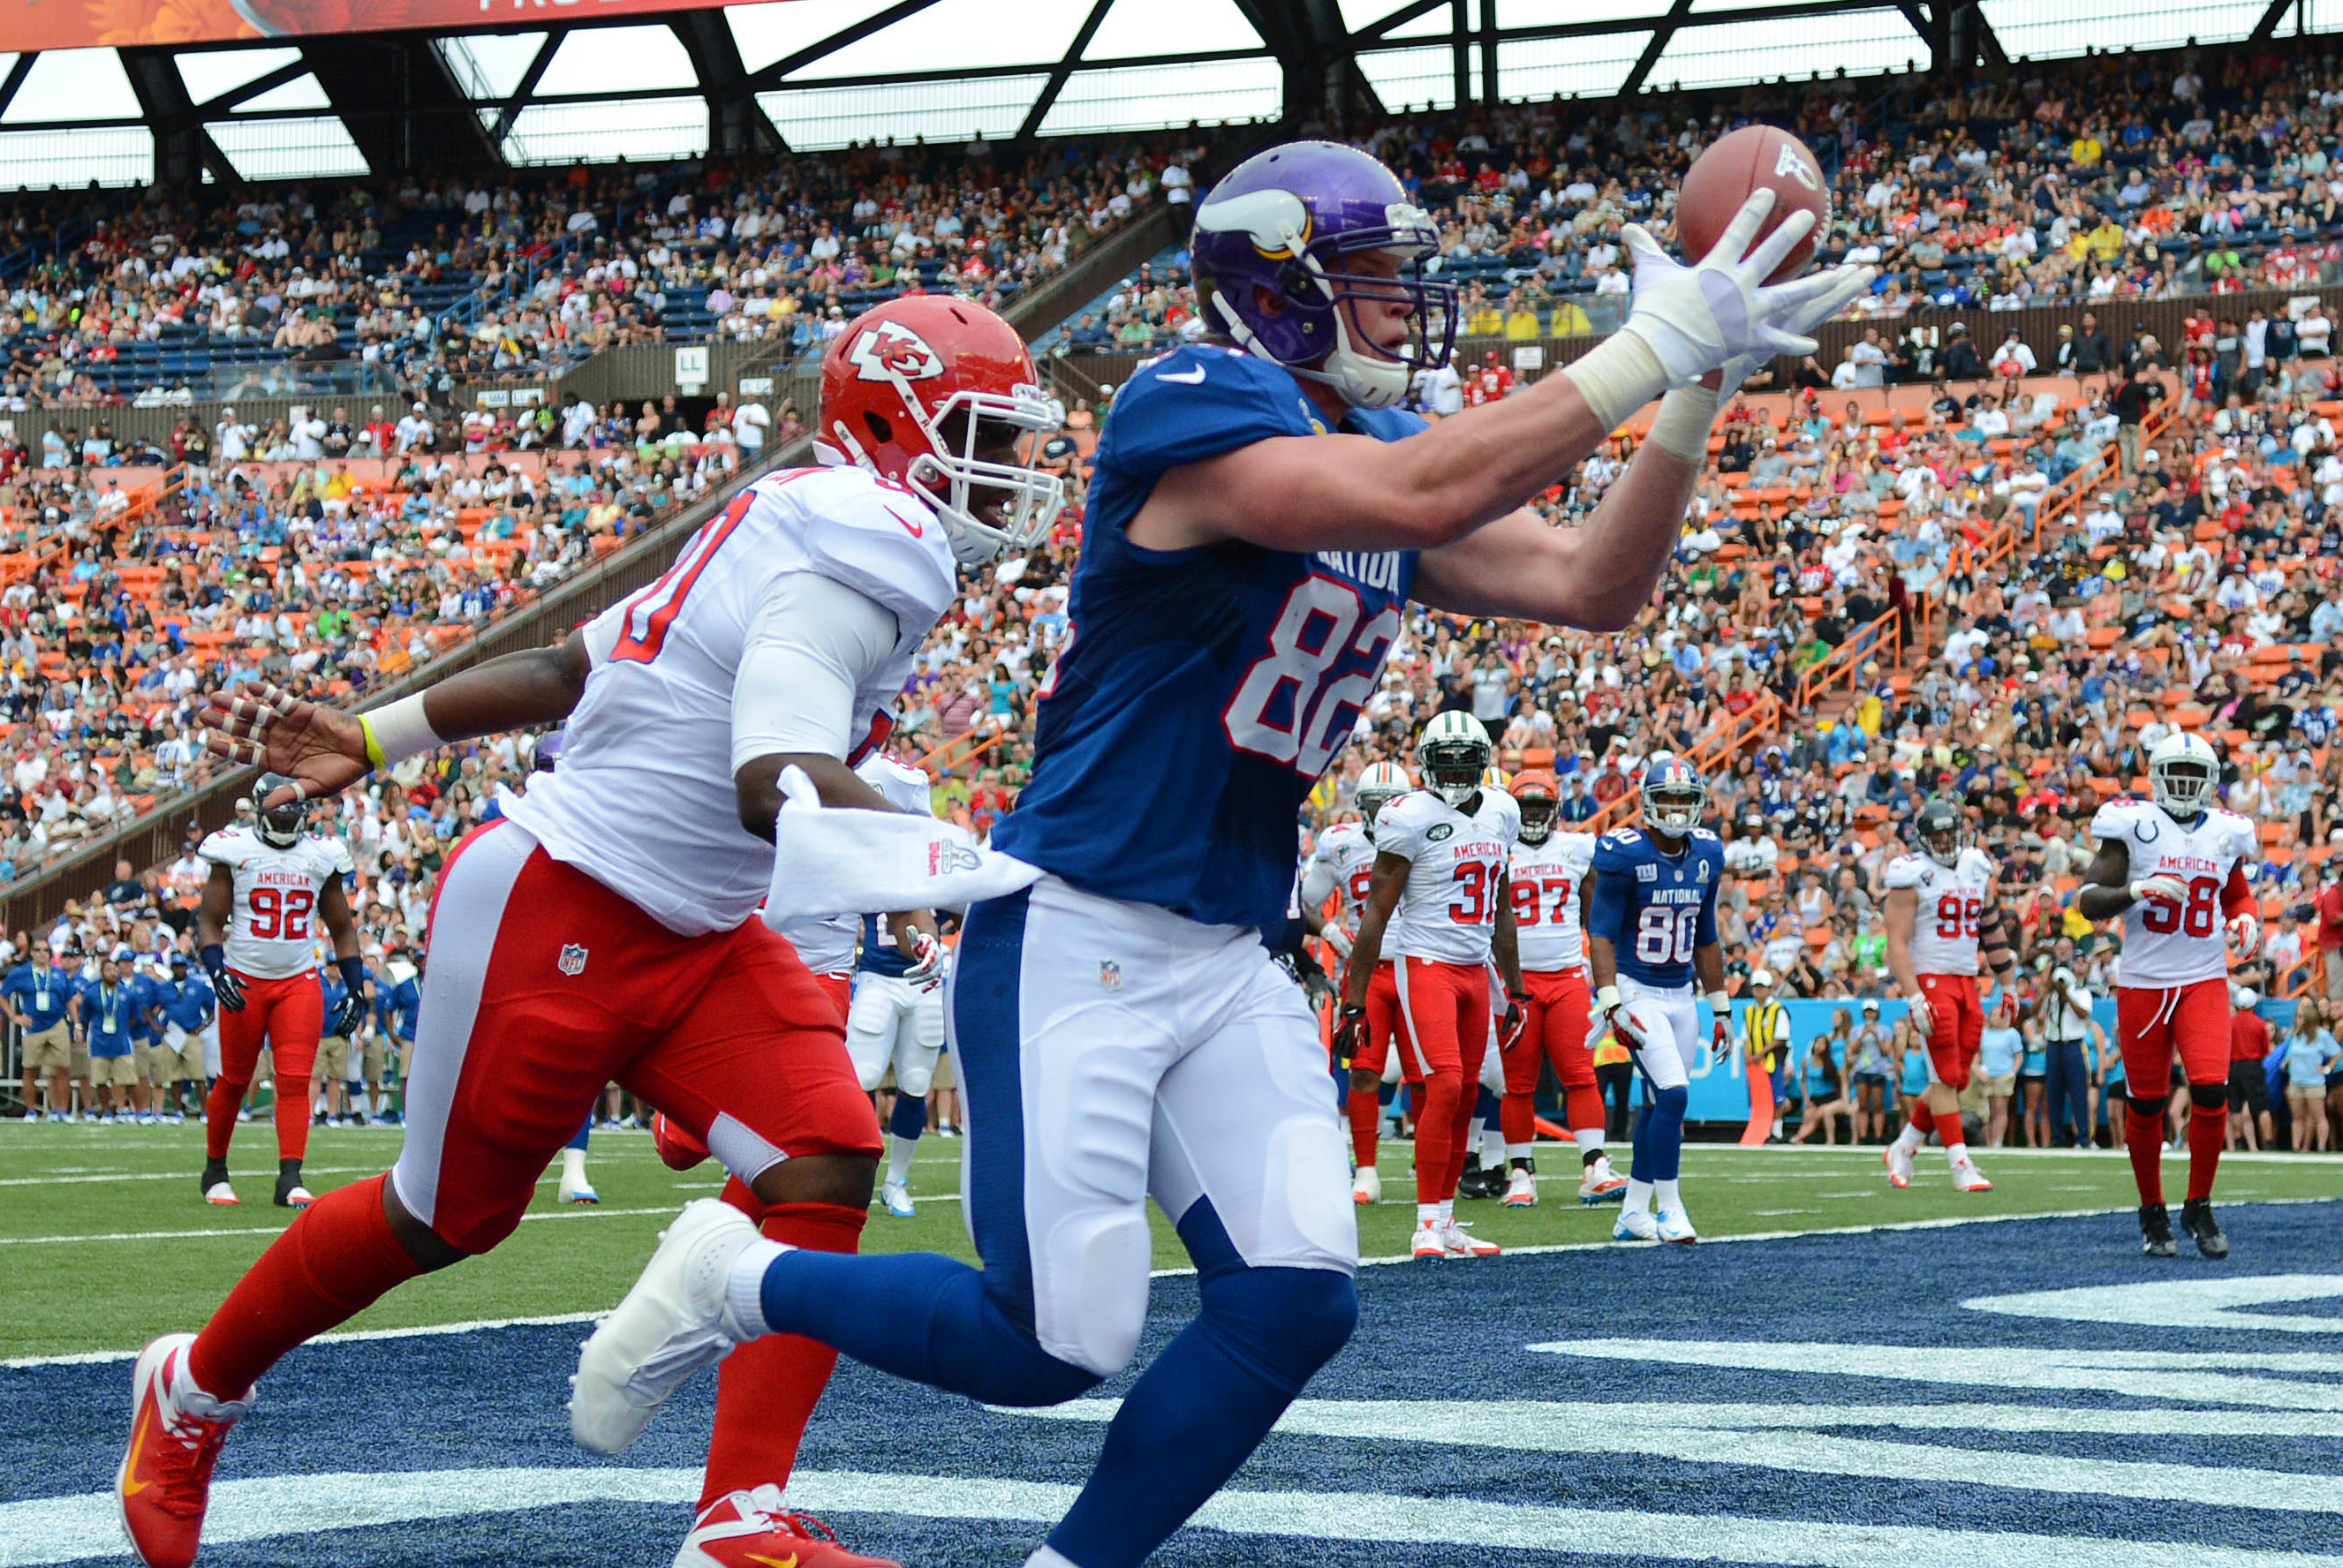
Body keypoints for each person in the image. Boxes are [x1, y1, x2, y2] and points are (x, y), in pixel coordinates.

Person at [569, 138, 1871, 1568]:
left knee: (1295, 1298)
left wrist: (1689, 391)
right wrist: (1649, 342)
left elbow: (1589, 584)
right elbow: (1419, 499)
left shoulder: (1373, 451)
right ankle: (744, 1275)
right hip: (1076, 924)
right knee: (1050, 1341)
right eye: (1368, 276)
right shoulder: (1186, 402)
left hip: (1225, 941)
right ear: (1280, 288)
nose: (1398, 306)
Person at [115, 293, 1063, 1568]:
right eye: (983, 436)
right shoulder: (865, 538)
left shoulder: (795, 517)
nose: (1007, 471)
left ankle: (741, 1515)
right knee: (442, 1219)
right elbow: (769, 776)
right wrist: (989, 871)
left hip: (703, 931)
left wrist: (382, 731)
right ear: (895, 424)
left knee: (823, 1161)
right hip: (561, 901)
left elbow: (578, 669)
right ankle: (193, 1388)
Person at [1340, 712, 1523, 1258]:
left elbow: (1503, 906)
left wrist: (1514, 988)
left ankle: (1446, 1222)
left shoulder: (1502, 811)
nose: (1458, 769)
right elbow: (1375, 913)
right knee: (1443, 1084)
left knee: (1467, 1092)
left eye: (1467, 759)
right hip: (1425, 964)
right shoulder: (1409, 815)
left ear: (1484, 761)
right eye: (1447, 761)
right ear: (1426, 765)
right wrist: (1354, 1000)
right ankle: (1424, 1225)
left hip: (1473, 968)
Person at [2076, 731, 2260, 1258]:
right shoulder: (2134, 826)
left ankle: (2198, 1204)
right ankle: (2152, 1209)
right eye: (2174, 775)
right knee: (2148, 1102)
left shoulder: (2227, 832)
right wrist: (2138, 888)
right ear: (2156, 778)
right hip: (2143, 983)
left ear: (2209, 783)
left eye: (2192, 776)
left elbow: (2237, 893)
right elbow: (2089, 900)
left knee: (2210, 1091)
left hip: (2202, 977)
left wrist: (2246, 920)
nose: (2183, 786)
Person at [195, 774, 368, 1210]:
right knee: (234, 1080)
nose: (287, 820)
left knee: (295, 1080)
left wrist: (355, 989)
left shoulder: (320, 855)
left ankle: (290, 1176)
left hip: (298, 981)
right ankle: (215, 1170)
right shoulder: (234, 850)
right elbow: (210, 923)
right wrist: (217, 972)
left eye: (293, 812)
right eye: (280, 811)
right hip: (243, 979)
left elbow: (342, 928)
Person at [1588, 758, 1728, 1243]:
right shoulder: (1624, 853)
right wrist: (1611, 1003)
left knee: (1655, 1105)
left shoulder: (1708, 851)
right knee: (1673, 1094)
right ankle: (1670, 1207)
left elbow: (1707, 935)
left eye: (1683, 799)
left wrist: (1722, 1006)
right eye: (1664, 798)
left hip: (1681, 992)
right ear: (1647, 803)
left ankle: (1631, 1211)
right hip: (1636, 987)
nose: (1673, 808)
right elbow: (1601, 932)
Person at [1495, 768, 1623, 1206]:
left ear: (1554, 811)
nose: (1532, 816)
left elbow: (1595, 917)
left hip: (1567, 976)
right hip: (1516, 982)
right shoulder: (1498, 850)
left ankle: (1594, 1166)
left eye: (1539, 808)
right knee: (1518, 1083)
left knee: (1581, 1075)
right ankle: (1521, 1173)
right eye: (1525, 808)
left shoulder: (1576, 848)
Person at [1880, 796, 2014, 1192]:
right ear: (1923, 839)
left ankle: (1903, 1147)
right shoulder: (1911, 874)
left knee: (1953, 1078)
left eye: (1949, 833)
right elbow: (1896, 943)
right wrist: (1914, 996)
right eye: (1935, 836)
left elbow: (1990, 926)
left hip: (1967, 980)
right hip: (1931, 980)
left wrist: (2007, 981)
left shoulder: (1975, 864)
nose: (1943, 842)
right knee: (1943, 1078)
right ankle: (1960, 1164)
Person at [843, 752, 953, 1219]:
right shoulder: (866, 851)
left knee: (915, 1082)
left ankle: (896, 1180)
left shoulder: (940, 851)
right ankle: (858, 1173)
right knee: (861, 1076)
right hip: (878, 976)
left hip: (926, 981)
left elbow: (964, 902)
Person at [1304, 758, 1413, 1204]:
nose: (1383, 811)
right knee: (1364, 1069)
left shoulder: (1428, 836)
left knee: (1428, 1073)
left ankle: (1439, 1166)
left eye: (1391, 803)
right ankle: (1366, 1169)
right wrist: (1330, 931)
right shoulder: (1341, 845)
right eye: (1375, 804)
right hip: (1365, 972)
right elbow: (1301, 902)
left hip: (1419, 963)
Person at [5, 948, 78, 1119]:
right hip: (32, 1025)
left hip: (57, 1023)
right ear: (32, 953)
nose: (41, 953)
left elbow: (70, 999)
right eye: (37, 950)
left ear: (50, 955)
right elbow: (3, 994)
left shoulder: (59, 974)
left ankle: (62, 1110)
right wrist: (13, 1016)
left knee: (63, 1068)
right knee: (30, 1069)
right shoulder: (21, 973)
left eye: (45, 950)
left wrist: (78, 1024)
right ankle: (31, 1111)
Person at [2037, 962, 2104, 1147]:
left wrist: (2066, 995)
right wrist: (2046, 992)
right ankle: (2057, 1136)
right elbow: (2036, 1013)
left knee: (2079, 1092)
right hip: (2053, 1045)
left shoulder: (2081, 993)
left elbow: (2083, 1014)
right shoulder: (2050, 996)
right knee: (2053, 1093)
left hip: (2073, 1045)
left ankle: (2083, 1137)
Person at [2281, 999, 2338, 1150]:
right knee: (2297, 1117)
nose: (2297, 1020)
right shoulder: (2296, 1035)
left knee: (2319, 1116)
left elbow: (2337, 1053)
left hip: (2314, 1081)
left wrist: (2327, 1068)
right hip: (2296, 1080)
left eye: (2300, 1017)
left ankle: (2320, 1147)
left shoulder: (2321, 1035)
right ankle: (2295, 1146)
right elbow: (2294, 1053)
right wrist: (2288, 1062)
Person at [2226, 987, 2273, 1151]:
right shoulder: (2260, 1024)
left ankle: (2239, 1141)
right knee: (2262, 1107)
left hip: (2234, 1067)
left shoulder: (2230, 1023)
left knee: (2235, 1107)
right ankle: (2268, 1142)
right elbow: (2265, 1049)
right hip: (2253, 1067)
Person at [1789, 1028, 1853, 1144]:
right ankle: (1800, 1138)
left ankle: (1799, 1137)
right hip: (1815, 1097)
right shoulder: (1806, 1061)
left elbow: (1843, 1081)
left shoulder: (1831, 1063)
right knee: (1808, 1114)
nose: (1819, 1046)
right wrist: (1807, 1099)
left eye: (1822, 1044)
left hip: (1829, 1097)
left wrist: (1845, 1100)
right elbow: (1803, 1082)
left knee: (1819, 1114)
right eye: (1817, 1043)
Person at [1976, 996, 2023, 1147]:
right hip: (1985, 1075)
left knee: (2000, 1110)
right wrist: (1979, 1070)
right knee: (1986, 1112)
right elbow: (1977, 1055)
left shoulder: (2011, 1034)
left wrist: (2012, 1073)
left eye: (2000, 1015)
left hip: (2003, 1075)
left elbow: (2019, 1056)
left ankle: (1997, 1141)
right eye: (1994, 1014)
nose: (1996, 1018)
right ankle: (1987, 1141)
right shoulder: (1983, 1033)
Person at [1848, 998, 1893, 1143]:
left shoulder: (1885, 1030)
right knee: (1863, 1105)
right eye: (1867, 1012)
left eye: (1872, 1012)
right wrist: (1863, 1035)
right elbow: (1853, 1049)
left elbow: (1886, 1051)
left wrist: (1876, 1036)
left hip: (1878, 1070)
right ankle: (1863, 1136)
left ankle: (1878, 1136)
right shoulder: (1856, 1030)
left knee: (1878, 1105)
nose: (1870, 1015)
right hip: (1862, 1070)